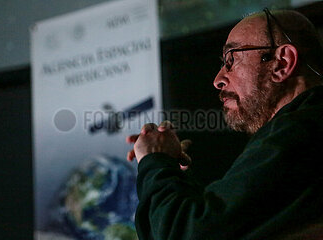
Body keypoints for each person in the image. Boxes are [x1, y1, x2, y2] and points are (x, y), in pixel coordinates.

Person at [126, 8, 323, 240]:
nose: (218, 79)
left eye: (232, 59)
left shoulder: (300, 132)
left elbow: (182, 234)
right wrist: (174, 179)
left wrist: (155, 163)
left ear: (281, 63)